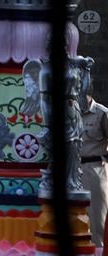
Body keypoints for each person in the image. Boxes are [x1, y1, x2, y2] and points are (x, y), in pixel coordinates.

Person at [81, 86, 108, 247]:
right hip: (74, 171)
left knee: (97, 220)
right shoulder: (70, 113)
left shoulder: (102, 113)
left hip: (95, 169)